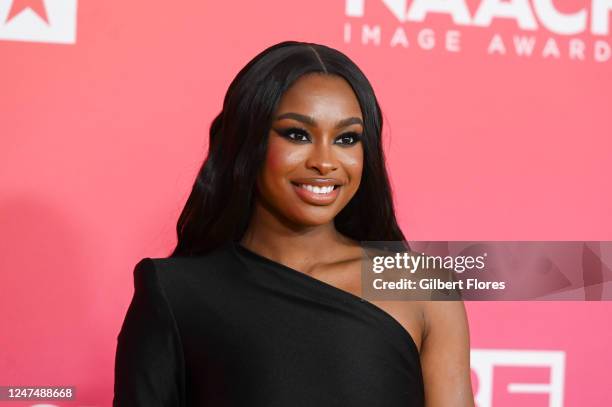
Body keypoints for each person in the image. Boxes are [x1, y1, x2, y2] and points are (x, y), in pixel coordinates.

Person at [113, 40, 474, 406]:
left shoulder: (423, 287)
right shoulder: (176, 292)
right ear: (247, 141)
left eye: (347, 139)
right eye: (297, 134)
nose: (325, 161)